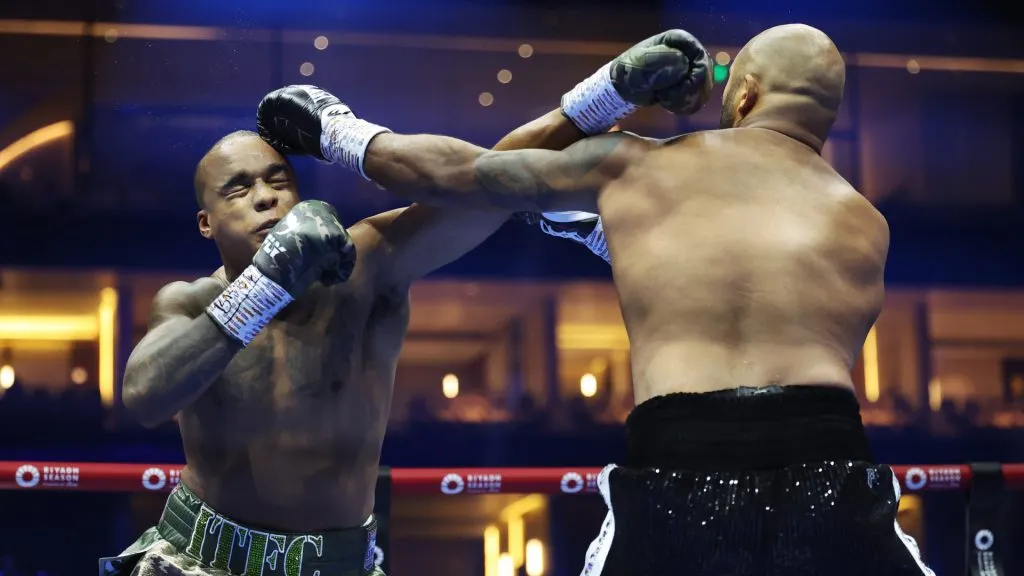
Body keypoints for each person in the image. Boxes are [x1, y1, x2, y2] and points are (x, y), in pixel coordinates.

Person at [256, 23, 936, 576]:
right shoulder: (866, 225)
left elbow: (456, 175)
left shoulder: (643, 166)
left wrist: (334, 131)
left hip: (679, 461)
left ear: (747, 93)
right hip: (833, 463)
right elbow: (760, 283)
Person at [101, 29, 712, 576]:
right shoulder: (187, 302)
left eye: (278, 180)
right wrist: (268, 281)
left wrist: (605, 95)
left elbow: (492, 179)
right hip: (200, 559)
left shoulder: (367, 263)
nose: (265, 197)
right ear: (206, 223)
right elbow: (145, 397)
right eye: (240, 189)